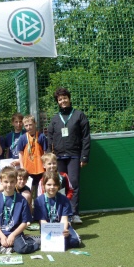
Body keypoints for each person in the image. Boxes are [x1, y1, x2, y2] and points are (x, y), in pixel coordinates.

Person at [47, 87, 91, 223]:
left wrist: (84, 156)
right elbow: (50, 137)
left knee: (73, 184)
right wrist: (49, 156)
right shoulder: (55, 118)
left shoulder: (79, 115)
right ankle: (61, 214)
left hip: (74, 155)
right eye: (60, 99)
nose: (63, 101)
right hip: (59, 157)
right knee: (59, 184)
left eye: (65, 98)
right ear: (57, 102)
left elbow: (86, 137)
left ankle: (74, 213)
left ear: (69, 99)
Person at [0, 166, 40, 254]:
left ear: (16, 182)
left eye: (12, 182)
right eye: (6, 182)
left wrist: (13, 235)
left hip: (15, 232)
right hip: (0, 232)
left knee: (22, 249)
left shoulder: (22, 200)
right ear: (0, 181)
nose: (9, 185)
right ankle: (9, 245)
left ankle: (32, 240)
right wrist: (2, 237)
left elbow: (24, 223)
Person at [33, 170, 82, 249]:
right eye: (49, 184)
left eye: (55, 185)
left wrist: (64, 230)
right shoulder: (38, 201)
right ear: (44, 185)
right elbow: (42, 221)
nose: (52, 187)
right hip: (47, 228)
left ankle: (44, 240)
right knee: (54, 243)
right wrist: (51, 232)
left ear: (58, 186)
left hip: (62, 227)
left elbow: (64, 219)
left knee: (75, 242)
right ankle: (41, 239)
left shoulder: (64, 199)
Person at [16, 114, 48, 198]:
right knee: (29, 190)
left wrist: (46, 166)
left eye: (30, 125)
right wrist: (22, 167)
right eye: (26, 125)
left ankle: (39, 204)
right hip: (28, 169)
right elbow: (20, 153)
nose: (28, 127)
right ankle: (29, 204)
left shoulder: (41, 136)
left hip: (40, 169)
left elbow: (45, 153)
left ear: (35, 124)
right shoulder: (23, 138)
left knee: (41, 189)